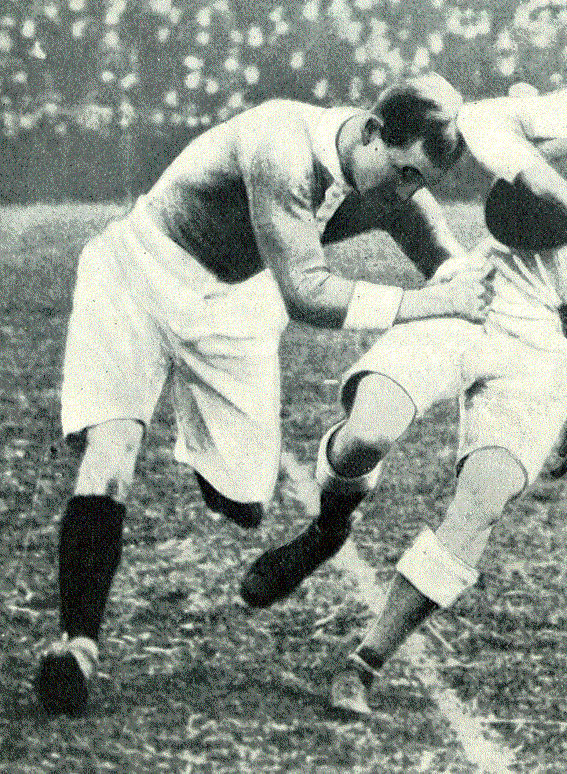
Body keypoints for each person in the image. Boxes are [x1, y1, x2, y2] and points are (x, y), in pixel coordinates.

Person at [238, 32, 567, 714]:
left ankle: (365, 662)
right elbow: (482, 118)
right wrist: (542, 178)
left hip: (551, 349)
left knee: (481, 502)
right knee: (368, 428)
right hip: (483, 288)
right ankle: (327, 527)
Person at [35, 72, 517, 716]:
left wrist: (516, 287)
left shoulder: (394, 179)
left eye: (420, 183)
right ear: (373, 131)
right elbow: (307, 295)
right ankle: (77, 646)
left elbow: (453, 270)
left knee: (245, 504)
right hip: (139, 272)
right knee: (111, 451)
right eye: (403, 173)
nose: (408, 193)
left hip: (234, 307)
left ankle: (290, 506)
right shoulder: (281, 143)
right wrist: (433, 303)